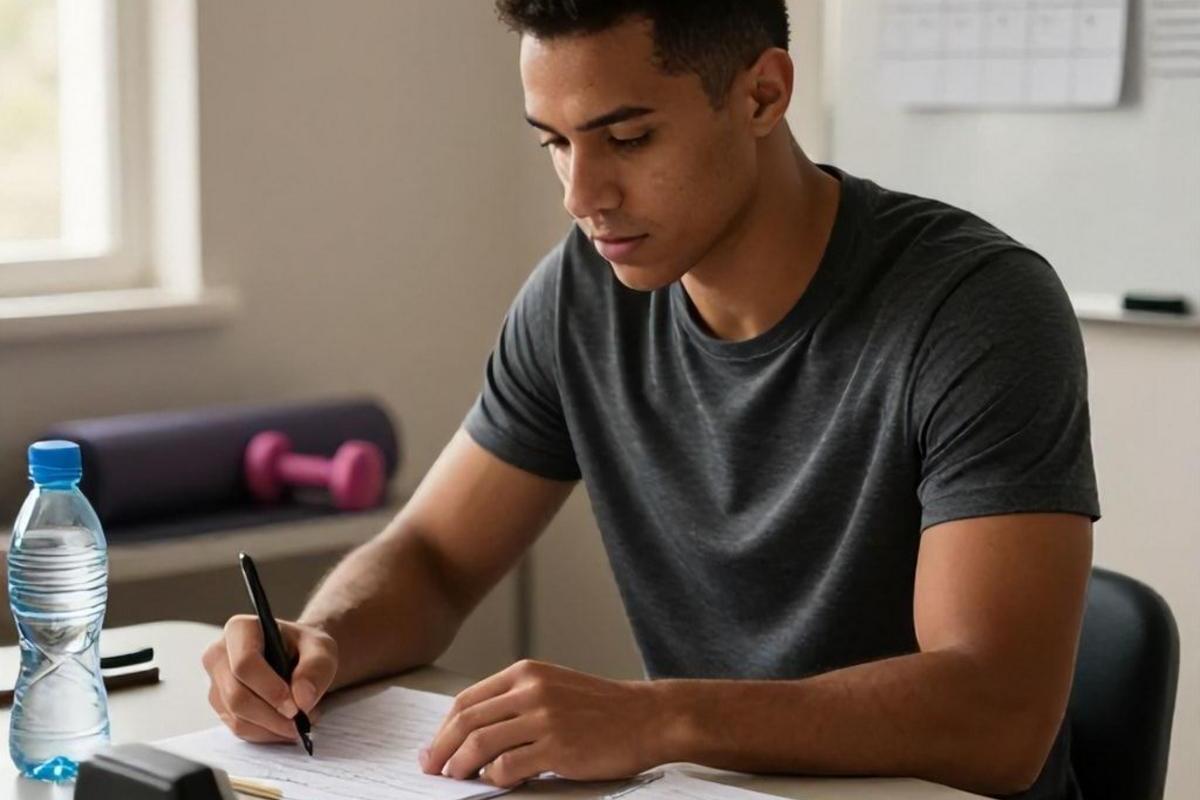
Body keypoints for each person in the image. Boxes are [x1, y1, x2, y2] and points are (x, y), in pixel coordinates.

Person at [201, 3, 1100, 799]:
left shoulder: (976, 308)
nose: (580, 196)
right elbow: (435, 558)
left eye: (627, 139)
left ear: (762, 95)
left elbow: (998, 718)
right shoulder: (579, 299)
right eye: (554, 142)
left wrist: (658, 718)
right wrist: (317, 644)